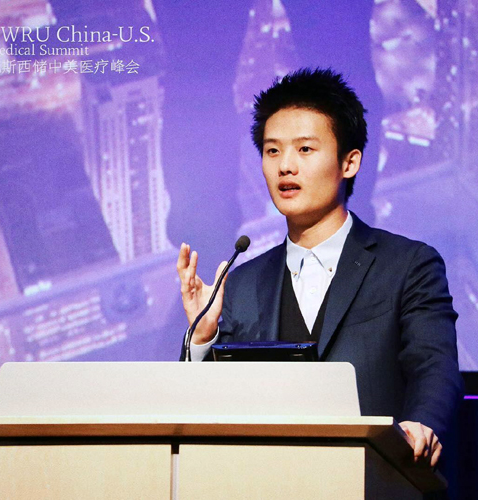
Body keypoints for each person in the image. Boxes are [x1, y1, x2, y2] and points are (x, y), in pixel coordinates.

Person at [176, 68, 462, 468]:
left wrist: (422, 425)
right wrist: (203, 338)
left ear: (349, 162)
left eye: (305, 149)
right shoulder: (241, 283)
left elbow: (434, 366)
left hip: (378, 478)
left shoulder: (408, 265)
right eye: (272, 151)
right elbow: (209, 409)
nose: (285, 166)